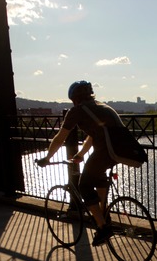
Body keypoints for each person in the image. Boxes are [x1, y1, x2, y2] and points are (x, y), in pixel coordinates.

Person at [37, 80, 124, 246]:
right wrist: (81, 154)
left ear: (74, 99)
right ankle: (105, 216)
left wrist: (47, 158)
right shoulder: (101, 107)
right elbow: (92, 136)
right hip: (119, 151)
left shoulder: (77, 111)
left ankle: (103, 227)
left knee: (84, 185)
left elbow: (60, 138)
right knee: (98, 179)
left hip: (105, 152)